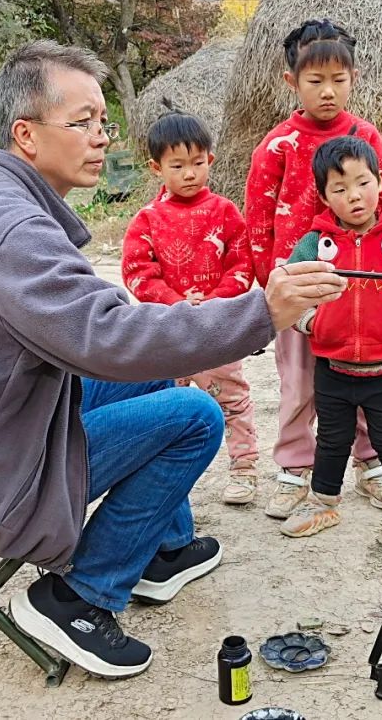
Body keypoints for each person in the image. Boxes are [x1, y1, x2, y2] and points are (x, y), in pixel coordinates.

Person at [0, 40, 346, 680]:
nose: (101, 137)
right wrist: (262, 312)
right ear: (27, 134)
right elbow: (108, 336)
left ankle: (161, 550)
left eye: (103, 121)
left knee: (154, 372)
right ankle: (76, 596)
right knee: (197, 415)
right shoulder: (12, 229)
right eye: (82, 122)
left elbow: (90, 325)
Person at [243, 18, 382, 520]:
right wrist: (272, 282)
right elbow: (258, 217)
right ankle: (295, 466)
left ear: (353, 77)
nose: (328, 92)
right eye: (315, 82)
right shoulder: (277, 146)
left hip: (358, 286)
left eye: (339, 80)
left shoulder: (365, 137)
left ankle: (370, 460)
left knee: (360, 375)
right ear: (292, 82)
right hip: (298, 288)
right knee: (299, 381)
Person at [279, 134, 382, 548]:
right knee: (333, 438)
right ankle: (322, 501)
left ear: (380, 182)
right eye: (339, 189)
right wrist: (312, 321)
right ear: (324, 195)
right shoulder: (317, 243)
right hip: (333, 366)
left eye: (363, 183)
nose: (354, 196)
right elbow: (289, 283)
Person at [121, 103, 259, 505]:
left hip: (218, 330)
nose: (189, 173)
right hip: (170, 333)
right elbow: (136, 273)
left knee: (232, 398)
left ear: (210, 160)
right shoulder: (147, 220)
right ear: (156, 167)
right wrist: (179, 303)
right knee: (170, 404)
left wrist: (214, 301)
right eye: (178, 165)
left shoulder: (225, 213)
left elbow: (241, 263)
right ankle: (176, 480)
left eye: (197, 163)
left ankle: (245, 469)